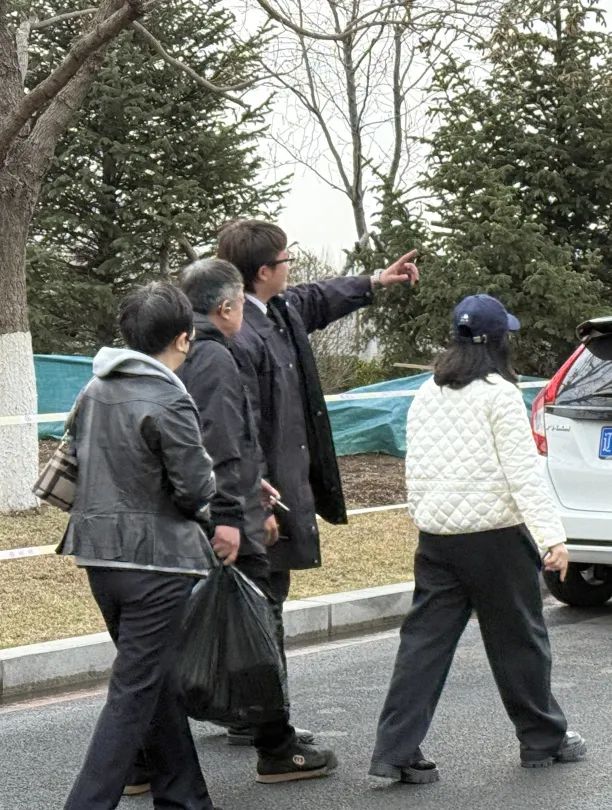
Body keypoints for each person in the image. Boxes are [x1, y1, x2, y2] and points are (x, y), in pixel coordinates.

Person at [369, 293, 586, 784]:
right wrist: (552, 537)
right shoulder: (499, 393)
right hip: (495, 537)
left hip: (438, 537)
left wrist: (424, 516)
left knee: (423, 644)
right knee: (519, 642)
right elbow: (523, 474)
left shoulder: (428, 391)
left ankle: (394, 750)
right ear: (498, 342)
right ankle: (542, 740)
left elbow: (416, 466)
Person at [218, 219, 420, 732]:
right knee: (259, 606)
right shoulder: (239, 337)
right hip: (259, 498)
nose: (292, 269)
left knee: (265, 600)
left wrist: (375, 281)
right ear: (263, 272)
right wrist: (253, 502)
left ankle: (254, 713)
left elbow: (317, 297)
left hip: (279, 491)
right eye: (285, 261)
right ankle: (265, 720)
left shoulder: (279, 309)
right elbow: (236, 429)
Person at [58, 282, 226, 810]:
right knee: (133, 694)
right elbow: (196, 487)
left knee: (149, 680)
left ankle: (185, 797)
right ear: (184, 337)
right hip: (155, 563)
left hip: (97, 555)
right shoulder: (170, 395)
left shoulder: (95, 388)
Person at [178, 257, 337, 783]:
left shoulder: (177, 352)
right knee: (257, 626)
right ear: (227, 306)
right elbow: (224, 442)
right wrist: (246, 509)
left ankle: (144, 757)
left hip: (188, 516)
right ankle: (276, 747)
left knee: (173, 636)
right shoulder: (217, 357)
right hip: (226, 520)